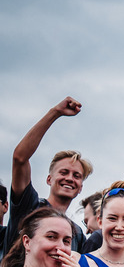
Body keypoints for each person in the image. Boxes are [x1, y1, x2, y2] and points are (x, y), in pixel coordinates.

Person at [5, 97, 92, 255]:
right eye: (63, 172)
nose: (70, 178)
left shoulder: (77, 234)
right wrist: (55, 112)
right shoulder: (29, 206)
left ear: (80, 188)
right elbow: (20, 158)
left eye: (76, 175)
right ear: (49, 179)